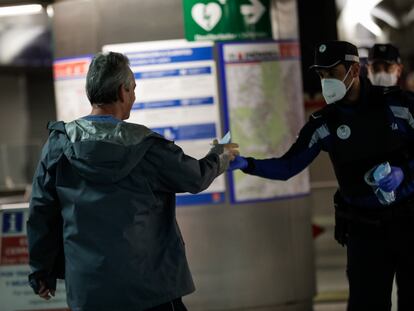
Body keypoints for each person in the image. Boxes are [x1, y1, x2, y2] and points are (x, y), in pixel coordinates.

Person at [27, 51, 239, 311]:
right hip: (150, 289)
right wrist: (222, 154)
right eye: (133, 89)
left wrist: (41, 271)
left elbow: (40, 212)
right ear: (122, 90)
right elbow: (195, 177)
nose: (134, 98)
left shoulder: (58, 144)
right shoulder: (148, 147)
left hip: (89, 292)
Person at [229, 41, 414, 311]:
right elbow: (288, 166)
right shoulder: (324, 123)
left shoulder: (398, 105)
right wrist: (247, 164)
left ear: (354, 70)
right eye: (321, 74)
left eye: (332, 72)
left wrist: (404, 172)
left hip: (409, 222)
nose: (326, 80)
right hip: (365, 231)